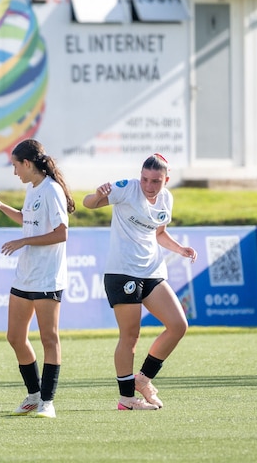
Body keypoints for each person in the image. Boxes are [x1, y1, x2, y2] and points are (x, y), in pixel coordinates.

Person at [82, 153, 197, 411]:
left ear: (166, 179)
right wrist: (98, 194)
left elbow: (159, 233)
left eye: (155, 181)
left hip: (152, 270)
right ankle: (126, 399)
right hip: (122, 271)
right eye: (145, 179)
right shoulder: (127, 188)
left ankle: (143, 379)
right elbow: (88, 204)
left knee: (178, 325)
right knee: (131, 335)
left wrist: (180, 249)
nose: (148, 185)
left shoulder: (167, 198)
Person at [0, 139, 75, 419]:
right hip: (25, 276)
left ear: (28, 164)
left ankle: (48, 401)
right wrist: (0, 206)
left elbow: (61, 233)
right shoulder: (33, 189)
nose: (14, 173)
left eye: (15, 166)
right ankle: (34, 394)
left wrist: (24, 243)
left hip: (47, 277)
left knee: (49, 337)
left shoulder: (52, 190)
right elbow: (27, 220)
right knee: (15, 336)